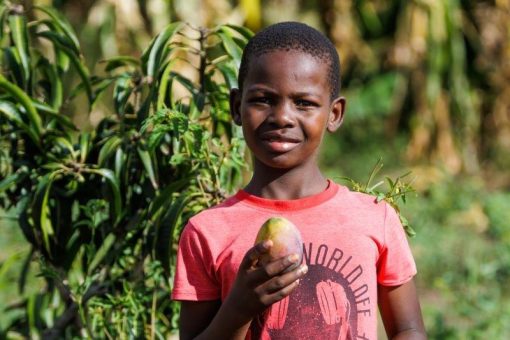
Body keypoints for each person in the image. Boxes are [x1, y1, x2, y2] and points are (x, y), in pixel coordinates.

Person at [172, 21, 427, 340]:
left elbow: (409, 330)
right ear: (237, 107)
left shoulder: (375, 217)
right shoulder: (207, 231)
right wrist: (238, 309)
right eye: (263, 99)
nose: (282, 117)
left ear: (334, 114)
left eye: (304, 103)